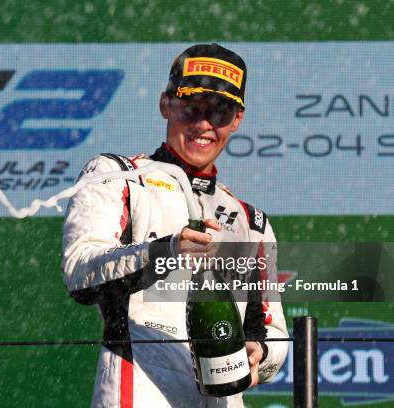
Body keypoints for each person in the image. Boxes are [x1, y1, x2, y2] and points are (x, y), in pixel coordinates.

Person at [62, 43, 288, 407]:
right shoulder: (117, 176)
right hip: (138, 392)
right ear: (166, 104)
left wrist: (258, 355)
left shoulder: (250, 221)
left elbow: (272, 334)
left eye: (219, 112)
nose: (203, 124)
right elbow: (80, 273)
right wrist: (166, 251)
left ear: (237, 119)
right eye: (191, 108)